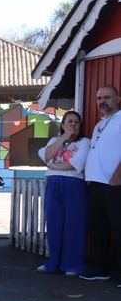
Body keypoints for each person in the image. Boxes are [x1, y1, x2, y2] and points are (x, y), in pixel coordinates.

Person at [37, 110, 89, 276]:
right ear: (63, 124)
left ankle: (72, 265)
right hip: (53, 184)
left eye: (76, 122)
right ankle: (54, 262)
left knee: (74, 224)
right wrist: (64, 138)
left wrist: (53, 166)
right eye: (69, 121)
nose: (73, 124)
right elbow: (46, 155)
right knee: (53, 223)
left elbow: (75, 164)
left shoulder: (84, 142)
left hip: (74, 184)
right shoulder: (55, 140)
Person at [82, 85, 121, 283]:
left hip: (114, 185)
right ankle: (100, 269)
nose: (102, 101)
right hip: (96, 184)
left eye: (107, 97)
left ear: (117, 99)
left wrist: (117, 177)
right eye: (99, 98)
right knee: (98, 228)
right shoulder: (100, 125)